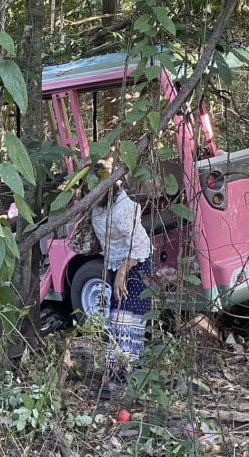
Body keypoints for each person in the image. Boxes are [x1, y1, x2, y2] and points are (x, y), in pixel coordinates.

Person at [86, 162, 152, 398]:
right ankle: (118, 376)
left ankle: (120, 380)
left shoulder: (122, 207)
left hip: (135, 264)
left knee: (125, 321)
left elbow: (141, 244)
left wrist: (123, 272)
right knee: (115, 322)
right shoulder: (98, 207)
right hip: (116, 266)